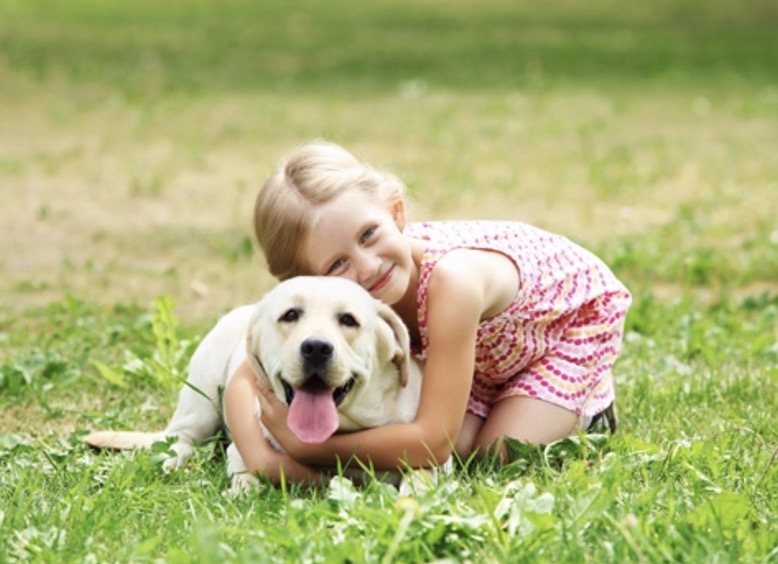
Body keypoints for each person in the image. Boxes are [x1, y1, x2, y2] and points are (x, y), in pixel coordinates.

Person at [224, 140, 631, 484]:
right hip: (478, 350)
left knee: (493, 455)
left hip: (563, 326)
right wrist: (259, 459)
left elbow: (432, 444)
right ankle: (500, 396)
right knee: (460, 443)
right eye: (336, 265)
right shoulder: (329, 306)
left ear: (396, 213)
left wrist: (304, 449)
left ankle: (591, 403)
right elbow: (245, 377)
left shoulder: (454, 283)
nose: (368, 266)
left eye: (369, 234)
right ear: (308, 281)